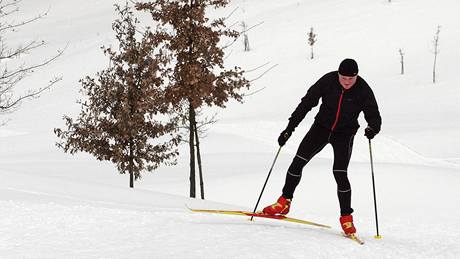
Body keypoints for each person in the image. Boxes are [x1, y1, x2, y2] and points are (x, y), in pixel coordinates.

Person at [262, 58, 382, 236]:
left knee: (340, 173)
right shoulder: (328, 81)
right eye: (343, 78)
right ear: (338, 74)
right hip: (321, 128)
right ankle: (284, 202)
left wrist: (373, 128)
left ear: (356, 76)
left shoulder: (363, 89)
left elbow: (374, 114)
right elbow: (306, 103)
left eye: (351, 78)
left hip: (345, 133)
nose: (347, 82)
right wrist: (289, 128)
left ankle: (346, 217)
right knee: (298, 162)